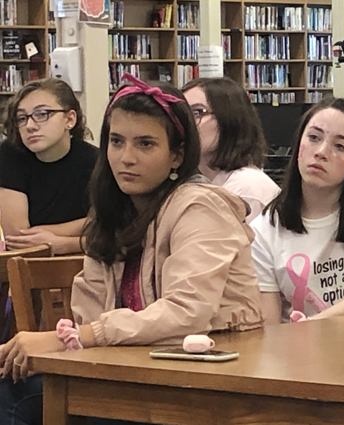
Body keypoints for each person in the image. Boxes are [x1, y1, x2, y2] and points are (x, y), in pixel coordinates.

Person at [0, 74, 264, 425]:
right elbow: (89, 305)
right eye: (117, 141)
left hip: (209, 383)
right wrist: (72, 341)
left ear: (177, 156)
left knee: (18, 400)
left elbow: (186, 311)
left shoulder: (200, 206)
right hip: (132, 370)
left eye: (145, 144)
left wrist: (76, 338)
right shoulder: (114, 210)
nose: (126, 157)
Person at [251, 97, 344, 323]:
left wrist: (318, 323)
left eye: (340, 146)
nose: (321, 152)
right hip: (299, 352)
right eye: (313, 137)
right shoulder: (264, 228)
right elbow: (269, 328)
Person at [0, 78, 97, 254]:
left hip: (84, 264)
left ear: (70, 119)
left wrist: (58, 241)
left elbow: (114, 232)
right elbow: (18, 239)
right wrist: (87, 225)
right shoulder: (10, 154)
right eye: (22, 118)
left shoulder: (95, 161)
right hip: (27, 266)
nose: (30, 126)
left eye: (42, 114)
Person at [182, 77, 279, 222]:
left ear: (229, 119)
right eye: (181, 114)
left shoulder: (247, 187)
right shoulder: (199, 181)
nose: (186, 123)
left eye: (197, 113)